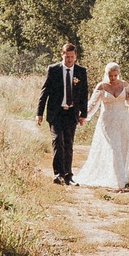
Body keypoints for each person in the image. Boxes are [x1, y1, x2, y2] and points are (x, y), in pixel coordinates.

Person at [73, 62, 129, 188]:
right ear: (106, 74)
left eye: (115, 75)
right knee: (114, 148)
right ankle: (118, 181)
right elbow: (92, 104)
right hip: (107, 121)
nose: (113, 78)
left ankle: (120, 177)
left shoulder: (125, 85)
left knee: (122, 148)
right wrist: (83, 116)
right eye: (110, 75)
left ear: (118, 74)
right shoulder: (102, 87)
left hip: (123, 120)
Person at [34, 43, 88, 185]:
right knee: (58, 141)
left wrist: (84, 114)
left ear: (75, 56)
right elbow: (44, 91)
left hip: (71, 113)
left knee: (68, 143)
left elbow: (84, 93)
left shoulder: (81, 71)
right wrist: (39, 112)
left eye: (72, 57)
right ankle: (58, 174)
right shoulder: (53, 70)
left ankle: (68, 175)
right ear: (62, 55)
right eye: (67, 57)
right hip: (56, 112)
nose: (69, 60)